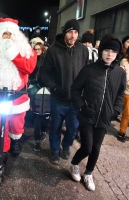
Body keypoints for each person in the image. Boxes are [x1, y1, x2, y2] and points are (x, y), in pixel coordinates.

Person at [70, 34, 126, 191]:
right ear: (101, 51)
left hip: (105, 117)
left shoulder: (120, 73)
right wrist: (81, 106)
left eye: (113, 52)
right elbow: (75, 90)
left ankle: (88, 173)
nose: (109, 54)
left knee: (96, 148)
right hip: (87, 115)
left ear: (117, 54)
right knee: (87, 147)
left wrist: (116, 110)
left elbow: (121, 94)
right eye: (107, 50)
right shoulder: (89, 70)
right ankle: (74, 163)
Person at [0, 18, 37, 163]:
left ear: (16, 35)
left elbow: (29, 67)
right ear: (0, 34)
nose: (8, 37)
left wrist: (13, 54)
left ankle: (15, 141)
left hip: (18, 96)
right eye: (5, 33)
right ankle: (1, 150)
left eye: (11, 34)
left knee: (17, 124)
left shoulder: (24, 49)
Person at [40, 19, 89, 165]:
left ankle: (66, 146)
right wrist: (54, 87)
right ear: (65, 33)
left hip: (75, 100)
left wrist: (86, 93)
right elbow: (44, 72)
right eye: (70, 32)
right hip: (58, 99)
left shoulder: (83, 50)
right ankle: (55, 150)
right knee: (55, 126)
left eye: (75, 32)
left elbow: (88, 72)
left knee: (73, 128)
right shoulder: (54, 50)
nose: (73, 36)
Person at [28, 42, 50, 151]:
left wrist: (42, 83)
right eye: (35, 49)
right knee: (37, 115)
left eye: (39, 49)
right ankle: (37, 140)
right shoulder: (32, 59)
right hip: (35, 89)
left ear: (42, 49)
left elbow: (47, 74)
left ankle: (44, 130)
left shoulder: (46, 60)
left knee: (45, 114)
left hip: (44, 89)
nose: (37, 51)